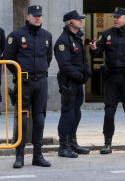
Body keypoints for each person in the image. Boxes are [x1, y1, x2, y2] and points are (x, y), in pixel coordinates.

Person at [89, 7, 125, 155]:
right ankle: (107, 144)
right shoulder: (107, 34)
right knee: (109, 111)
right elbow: (97, 52)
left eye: (118, 17)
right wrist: (93, 48)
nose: (115, 19)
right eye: (114, 17)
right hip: (111, 78)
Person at [4, 5, 52, 168]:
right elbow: (9, 60)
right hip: (24, 82)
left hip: (41, 82)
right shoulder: (16, 35)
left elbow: (48, 58)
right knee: (22, 119)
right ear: (27, 17)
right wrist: (20, 74)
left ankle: (37, 155)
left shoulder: (47, 36)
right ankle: (19, 156)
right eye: (35, 15)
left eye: (40, 15)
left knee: (39, 118)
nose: (38, 18)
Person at [54, 10, 92, 158]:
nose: (81, 21)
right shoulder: (63, 41)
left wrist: (86, 73)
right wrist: (79, 76)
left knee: (76, 112)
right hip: (69, 82)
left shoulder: (76, 39)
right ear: (70, 22)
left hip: (78, 82)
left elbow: (82, 60)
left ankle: (72, 142)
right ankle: (63, 147)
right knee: (68, 113)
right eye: (78, 20)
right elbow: (65, 65)